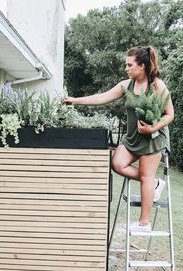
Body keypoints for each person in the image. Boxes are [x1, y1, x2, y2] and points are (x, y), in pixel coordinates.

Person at [64, 46, 174, 232]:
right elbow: (102, 98)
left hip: (152, 139)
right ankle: (154, 184)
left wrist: (153, 128)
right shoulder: (126, 85)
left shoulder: (158, 85)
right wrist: (75, 100)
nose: (126, 68)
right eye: (126, 65)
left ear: (142, 66)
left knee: (146, 176)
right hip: (132, 138)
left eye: (130, 65)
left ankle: (143, 223)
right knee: (117, 164)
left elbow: (170, 114)